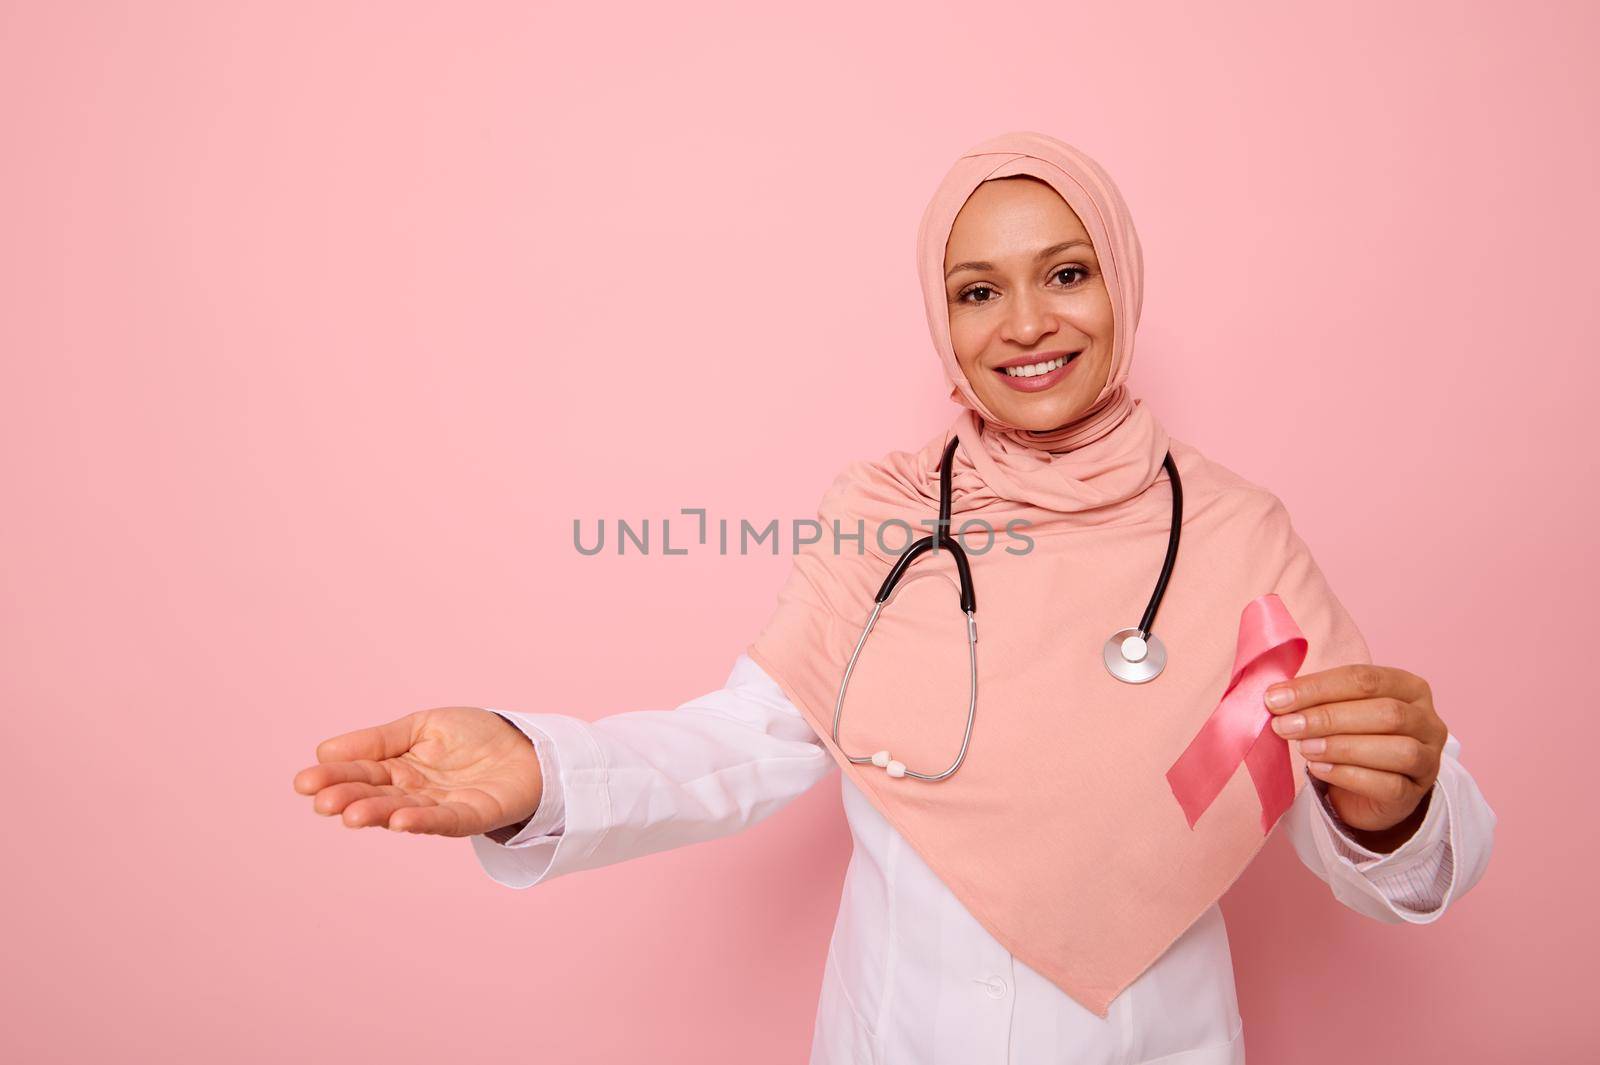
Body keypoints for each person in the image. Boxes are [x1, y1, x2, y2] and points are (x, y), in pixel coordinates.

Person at [293, 132, 1496, 1064]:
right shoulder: (881, 516)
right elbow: (746, 744)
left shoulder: (1237, 536)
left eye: (1065, 273)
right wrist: (540, 769)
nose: (1026, 324)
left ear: (1120, 282)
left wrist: (1394, 811)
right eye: (978, 291)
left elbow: (1363, 826)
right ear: (943, 318)